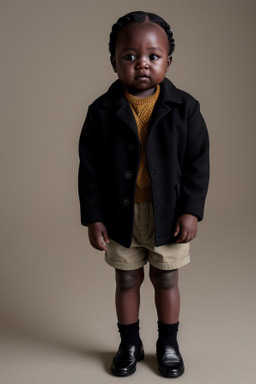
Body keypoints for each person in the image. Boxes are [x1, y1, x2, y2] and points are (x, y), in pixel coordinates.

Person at [78, 11, 209, 378]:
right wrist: (94, 216)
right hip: (121, 214)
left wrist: (191, 211)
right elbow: (88, 168)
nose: (141, 65)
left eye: (153, 56)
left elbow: (198, 163)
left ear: (168, 60)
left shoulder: (186, 109)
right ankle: (129, 342)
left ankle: (168, 343)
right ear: (114, 61)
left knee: (166, 278)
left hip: (168, 213)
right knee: (126, 278)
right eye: (129, 56)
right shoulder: (101, 112)